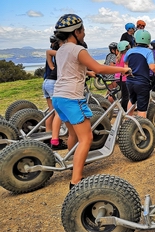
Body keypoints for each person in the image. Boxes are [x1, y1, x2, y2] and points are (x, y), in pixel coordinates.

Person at [52, 13, 131, 189]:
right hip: (72, 98)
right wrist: (124, 69)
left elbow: (72, 69)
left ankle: (75, 164)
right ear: (75, 32)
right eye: (83, 30)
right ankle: (76, 182)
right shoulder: (78, 49)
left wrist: (87, 73)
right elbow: (98, 67)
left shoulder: (61, 50)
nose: (84, 33)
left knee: (73, 134)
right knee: (86, 138)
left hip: (59, 97)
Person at [124, 29, 155, 117]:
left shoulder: (130, 51)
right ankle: (141, 127)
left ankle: (128, 119)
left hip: (130, 81)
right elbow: (152, 67)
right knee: (142, 107)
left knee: (132, 99)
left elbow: (125, 65)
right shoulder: (148, 51)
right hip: (142, 82)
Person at [43, 36, 65, 150]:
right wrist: (52, 66)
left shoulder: (56, 53)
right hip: (52, 83)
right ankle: (55, 141)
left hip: (46, 82)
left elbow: (48, 52)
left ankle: (48, 137)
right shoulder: (60, 53)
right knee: (58, 112)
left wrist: (51, 66)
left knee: (51, 111)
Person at [113, 40, 131, 111]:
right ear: (126, 48)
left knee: (124, 95)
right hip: (123, 78)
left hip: (117, 78)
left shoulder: (118, 57)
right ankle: (124, 110)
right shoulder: (126, 57)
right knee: (126, 96)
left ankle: (123, 108)